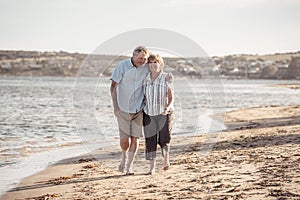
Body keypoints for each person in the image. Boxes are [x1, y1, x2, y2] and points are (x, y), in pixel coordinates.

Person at [110, 46, 149, 175]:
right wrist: (116, 107)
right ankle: (123, 157)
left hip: (139, 108)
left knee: (135, 138)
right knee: (124, 140)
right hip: (123, 109)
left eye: (144, 59)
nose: (142, 61)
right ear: (133, 55)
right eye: (140, 58)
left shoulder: (146, 66)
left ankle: (129, 166)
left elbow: (157, 66)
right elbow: (113, 87)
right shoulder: (122, 66)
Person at [143, 53, 174, 175]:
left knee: (164, 138)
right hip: (148, 113)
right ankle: (152, 167)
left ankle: (166, 160)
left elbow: (171, 95)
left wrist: (168, 107)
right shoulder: (144, 78)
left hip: (164, 113)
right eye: (150, 62)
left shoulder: (167, 76)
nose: (152, 65)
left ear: (160, 64)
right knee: (150, 140)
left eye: (155, 62)